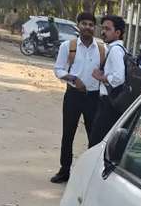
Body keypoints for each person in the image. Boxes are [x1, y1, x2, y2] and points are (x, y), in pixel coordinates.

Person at [50, 11, 106, 183]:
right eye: (84, 24)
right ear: (78, 26)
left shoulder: (102, 49)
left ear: (94, 28)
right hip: (73, 96)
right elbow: (58, 69)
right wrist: (73, 79)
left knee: (94, 137)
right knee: (68, 134)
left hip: (94, 98)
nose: (87, 27)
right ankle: (64, 170)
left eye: (91, 25)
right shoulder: (68, 46)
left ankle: (91, 175)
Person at [88, 15, 126, 147]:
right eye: (103, 28)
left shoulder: (115, 50)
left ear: (117, 33)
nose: (103, 32)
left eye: (107, 29)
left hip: (108, 105)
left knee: (96, 144)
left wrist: (101, 77)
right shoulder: (118, 49)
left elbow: (118, 78)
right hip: (111, 103)